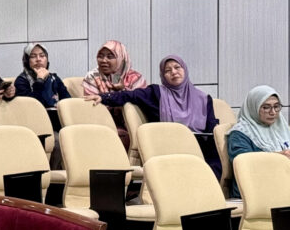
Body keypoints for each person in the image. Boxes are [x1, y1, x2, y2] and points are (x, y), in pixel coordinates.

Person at [86, 55, 221, 178]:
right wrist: (104, 97)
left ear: (184, 69)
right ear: (163, 76)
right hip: (169, 146)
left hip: (200, 147)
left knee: (216, 157)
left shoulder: (203, 98)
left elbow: (211, 129)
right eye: (167, 70)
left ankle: (212, 191)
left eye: (177, 67)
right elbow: (130, 95)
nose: (174, 72)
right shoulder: (156, 93)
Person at [228, 86, 290, 197]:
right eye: (266, 107)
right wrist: (277, 157)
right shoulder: (239, 134)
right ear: (254, 107)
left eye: (276, 106)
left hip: (284, 182)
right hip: (256, 189)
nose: (273, 112)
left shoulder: (280, 127)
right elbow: (244, 164)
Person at [81, 40, 146, 96]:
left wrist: (123, 90)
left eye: (110, 57)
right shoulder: (93, 76)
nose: (104, 60)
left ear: (120, 59)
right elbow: (91, 104)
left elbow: (143, 101)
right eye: (100, 56)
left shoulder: (136, 78)